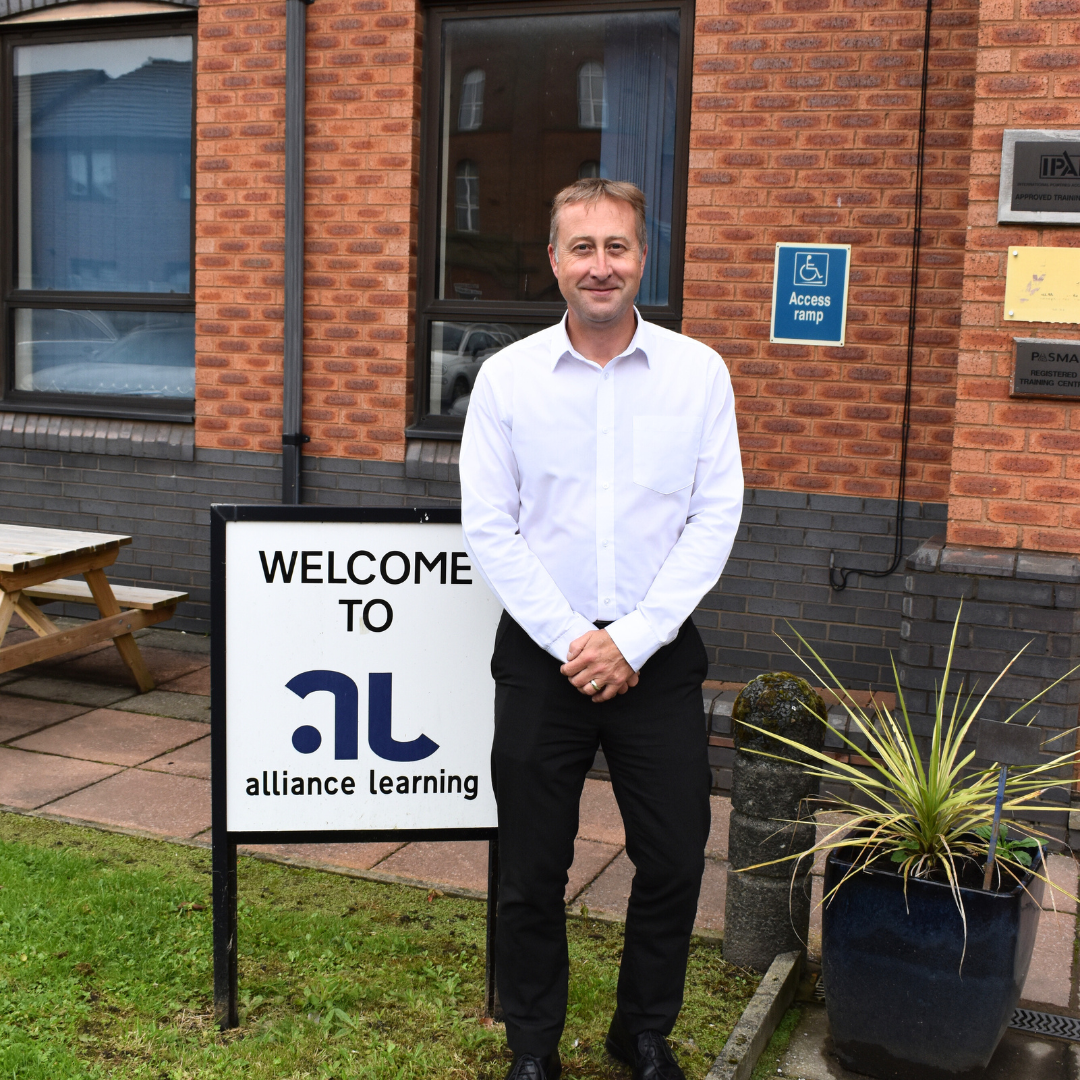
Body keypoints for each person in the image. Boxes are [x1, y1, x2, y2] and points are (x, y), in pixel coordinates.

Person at [460, 178, 743, 1080]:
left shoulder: (698, 374)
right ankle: (532, 1046)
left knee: (674, 857)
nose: (600, 266)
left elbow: (715, 516)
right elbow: (489, 526)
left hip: (656, 657)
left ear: (643, 258)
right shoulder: (508, 378)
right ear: (554, 260)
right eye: (581, 248)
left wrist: (635, 638)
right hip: (542, 657)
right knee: (529, 866)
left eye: (616, 246)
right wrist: (574, 639)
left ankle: (642, 1031)